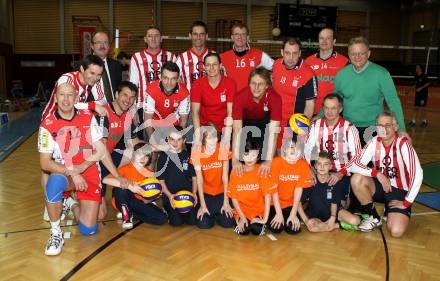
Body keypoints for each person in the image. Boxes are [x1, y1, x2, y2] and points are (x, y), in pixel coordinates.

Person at [38, 83, 123, 256]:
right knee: (53, 181)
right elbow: (45, 163)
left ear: (76, 98)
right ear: (55, 98)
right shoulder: (47, 125)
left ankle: (71, 204)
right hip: (65, 173)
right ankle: (56, 233)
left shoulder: (87, 117)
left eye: (70, 95)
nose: (66, 99)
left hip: (89, 170)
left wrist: (117, 175)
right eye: (62, 95)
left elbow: (100, 150)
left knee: (89, 228)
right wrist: (73, 172)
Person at [349, 112, 423, 237]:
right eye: (380, 125)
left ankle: (390, 209)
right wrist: (377, 173)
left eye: (388, 125)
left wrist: (406, 202)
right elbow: (354, 165)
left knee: (396, 231)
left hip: (399, 192)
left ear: (395, 127)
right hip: (381, 187)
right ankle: (374, 217)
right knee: (356, 179)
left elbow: (418, 174)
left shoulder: (403, 145)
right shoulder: (374, 142)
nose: (383, 129)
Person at [333, 36, 409, 145]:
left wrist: (401, 128)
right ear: (349, 55)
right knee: (351, 161)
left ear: (368, 54)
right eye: (353, 53)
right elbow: (334, 100)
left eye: (361, 53)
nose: (357, 57)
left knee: (373, 161)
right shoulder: (341, 75)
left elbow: (393, 102)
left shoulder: (382, 74)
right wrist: (320, 116)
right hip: (348, 127)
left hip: (375, 128)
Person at [304, 94, 362, 208]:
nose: (329, 112)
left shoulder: (349, 128)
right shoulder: (316, 125)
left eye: (333, 108)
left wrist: (341, 173)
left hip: (341, 171)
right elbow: (306, 149)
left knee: (339, 205)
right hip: (320, 169)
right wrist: (309, 169)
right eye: (326, 108)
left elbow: (357, 156)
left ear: (340, 109)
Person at [97, 81, 141, 219]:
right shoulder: (104, 113)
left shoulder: (127, 116)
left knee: (137, 151)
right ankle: (71, 199)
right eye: (125, 95)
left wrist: (162, 146)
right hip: (92, 162)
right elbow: (102, 150)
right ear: (116, 94)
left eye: (132, 97)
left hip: (108, 157)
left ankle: (120, 196)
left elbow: (134, 143)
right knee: (100, 215)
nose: (128, 100)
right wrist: (118, 176)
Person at [103, 143, 167, 229]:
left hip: (137, 202)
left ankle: (129, 213)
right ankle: (127, 217)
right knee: (121, 190)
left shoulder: (149, 174)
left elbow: (145, 200)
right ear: (133, 155)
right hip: (121, 200)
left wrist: (153, 196)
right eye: (139, 154)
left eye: (146, 156)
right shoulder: (126, 168)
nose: (143, 158)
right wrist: (130, 185)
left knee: (162, 218)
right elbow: (105, 180)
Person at [231, 67, 281, 177]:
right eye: (253, 83)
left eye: (261, 84)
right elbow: (237, 130)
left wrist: (268, 161)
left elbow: (273, 132)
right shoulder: (240, 97)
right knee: (240, 158)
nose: (256, 88)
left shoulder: (275, 98)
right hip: (245, 124)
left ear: (267, 85)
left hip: (265, 124)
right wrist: (234, 160)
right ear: (249, 84)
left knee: (265, 162)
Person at [297, 151, 361, 233]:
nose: (322, 167)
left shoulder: (334, 181)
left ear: (330, 166)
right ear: (315, 166)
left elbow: (335, 203)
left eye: (326, 164)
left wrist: (333, 217)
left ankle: (333, 225)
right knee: (312, 228)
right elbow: (298, 203)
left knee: (355, 221)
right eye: (319, 164)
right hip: (315, 215)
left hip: (333, 212)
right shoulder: (310, 181)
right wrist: (306, 221)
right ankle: (335, 225)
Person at [272, 37, 317, 147]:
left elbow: (310, 107)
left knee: (290, 159)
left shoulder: (308, 74)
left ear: (300, 53)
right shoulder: (276, 65)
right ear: (282, 52)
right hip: (275, 123)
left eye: (294, 53)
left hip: (293, 127)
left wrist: (300, 131)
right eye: (287, 53)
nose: (291, 58)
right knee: (274, 160)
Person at [228, 140, 277, 235]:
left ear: (258, 157)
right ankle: (238, 223)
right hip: (241, 211)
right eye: (246, 154)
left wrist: (264, 220)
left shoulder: (262, 171)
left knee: (257, 230)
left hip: (258, 211)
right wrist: (241, 217)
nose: (250, 159)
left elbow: (267, 197)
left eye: (253, 155)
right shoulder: (236, 171)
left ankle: (255, 223)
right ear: (242, 155)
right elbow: (234, 199)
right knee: (243, 231)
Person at [190, 124, 234, 229]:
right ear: (203, 139)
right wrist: (203, 205)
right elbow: (199, 180)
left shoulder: (223, 149)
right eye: (209, 137)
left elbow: (225, 177)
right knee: (203, 224)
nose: (214, 140)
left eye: (215, 136)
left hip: (221, 192)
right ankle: (212, 212)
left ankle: (217, 213)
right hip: (206, 193)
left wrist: (226, 201)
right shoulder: (197, 152)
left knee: (228, 222)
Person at [267, 135, 313, 234]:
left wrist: (293, 213)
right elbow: (273, 190)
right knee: (277, 228)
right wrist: (278, 213)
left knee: (293, 230)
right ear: (284, 149)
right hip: (274, 204)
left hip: (290, 204)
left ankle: (287, 216)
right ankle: (279, 216)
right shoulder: (276, 162)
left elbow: (298, 190)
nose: (294, 150)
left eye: (298, 148)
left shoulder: (303, 165)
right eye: (291, 147)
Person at [42, 54, 107, 121]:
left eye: (99, 74)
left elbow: (103, 100)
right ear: (82, 69)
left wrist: (94, 106)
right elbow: (66, 103)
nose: (95, 78)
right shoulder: (67, 79)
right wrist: (93, 106)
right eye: (92, 73)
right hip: (52, 119)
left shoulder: (94, 81)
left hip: (72, 119)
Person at [191, 53, 236, 144]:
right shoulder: (197, 84)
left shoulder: (230, 83)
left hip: (224, 128)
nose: (211, 68)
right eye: (208, 65)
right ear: (204, 67)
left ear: (220, 65)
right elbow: (195, 112)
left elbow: (230, 112)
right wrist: (198, 137)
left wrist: (226, 136)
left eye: (214, 64)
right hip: (206, 129)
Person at [157, 126, 197, 226]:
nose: (175, 143)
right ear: (168, 140)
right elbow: (161, 182)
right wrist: (170, 196)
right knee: (176, 223)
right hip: (170, 195)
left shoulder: (188, 156)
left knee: (192, 221)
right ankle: (166, 210)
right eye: (172, 139)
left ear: (184, 140)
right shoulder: (163, 157)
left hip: (186, 193)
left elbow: (194, 177)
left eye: (179, 139)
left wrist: (194, 193)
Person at [143, 61, 190, 143]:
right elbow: (147, 119)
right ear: (160, 77)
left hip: (174, 125)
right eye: (165, 78)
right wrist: (153, 142)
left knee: (176, 149)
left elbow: (183, 120)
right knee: (153, 150)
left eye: (173, 79)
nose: (169, 83)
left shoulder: (184, 92)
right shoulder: (151, 90)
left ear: (178, 79)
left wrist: (178, 140)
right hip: (154, 124)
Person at [305, 28, 348, 115]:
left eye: (328, 38)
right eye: (321, 38)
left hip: (334, 113)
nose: (324, 41)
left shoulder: (344, 62)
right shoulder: (308, 62)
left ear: (334, 41)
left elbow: (347, 91)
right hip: (312, 112)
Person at [220, 23, 274, 92]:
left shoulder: (259, 55)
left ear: (248, 37)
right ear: (232, 37)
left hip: (251, 99)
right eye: (236, 34)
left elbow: (277, 67)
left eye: (243, 34)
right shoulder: (223, 57)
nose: (240, 37)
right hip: (231, 99)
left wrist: (269, 81)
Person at [130, 26, 177, 103]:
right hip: (144, 103)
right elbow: (133, 84)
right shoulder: (136, 57)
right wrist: (132, 106)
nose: (153, 39)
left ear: (161, 39)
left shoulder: (171, 57)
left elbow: (177, 82)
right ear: (145, 39)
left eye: (156, 36)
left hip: (167, 103)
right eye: (150, 36)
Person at [176, 21, 213, 91]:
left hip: (211, 100)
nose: (198, 37)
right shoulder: (181, 59)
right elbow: (175, 82)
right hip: (189, 100)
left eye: (202, 34)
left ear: (207, 36)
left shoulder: (215, 56)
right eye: (195, 34)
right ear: (190, 36)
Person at [90, 31, 122, 102]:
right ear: (92, 46)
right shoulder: (82, 66)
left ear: (109, 46)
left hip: (114, 109)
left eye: (105, 42)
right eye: (98, 42)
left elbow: (119, 89)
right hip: (92, 109)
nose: (102, 45)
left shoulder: (116, 65)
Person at [408, 64, 430, 128]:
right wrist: (409, 90)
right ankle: (413, 121)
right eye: (416, 67)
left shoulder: (424, 76)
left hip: (423, 95)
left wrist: (421, 88)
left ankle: (424, 122)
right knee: (415, 108)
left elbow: (428, 83)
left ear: (420, 69)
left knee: (422, 109)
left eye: (417, 67)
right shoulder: (416, 76)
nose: (416, 68)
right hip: (417, 95)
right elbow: (415, 84)